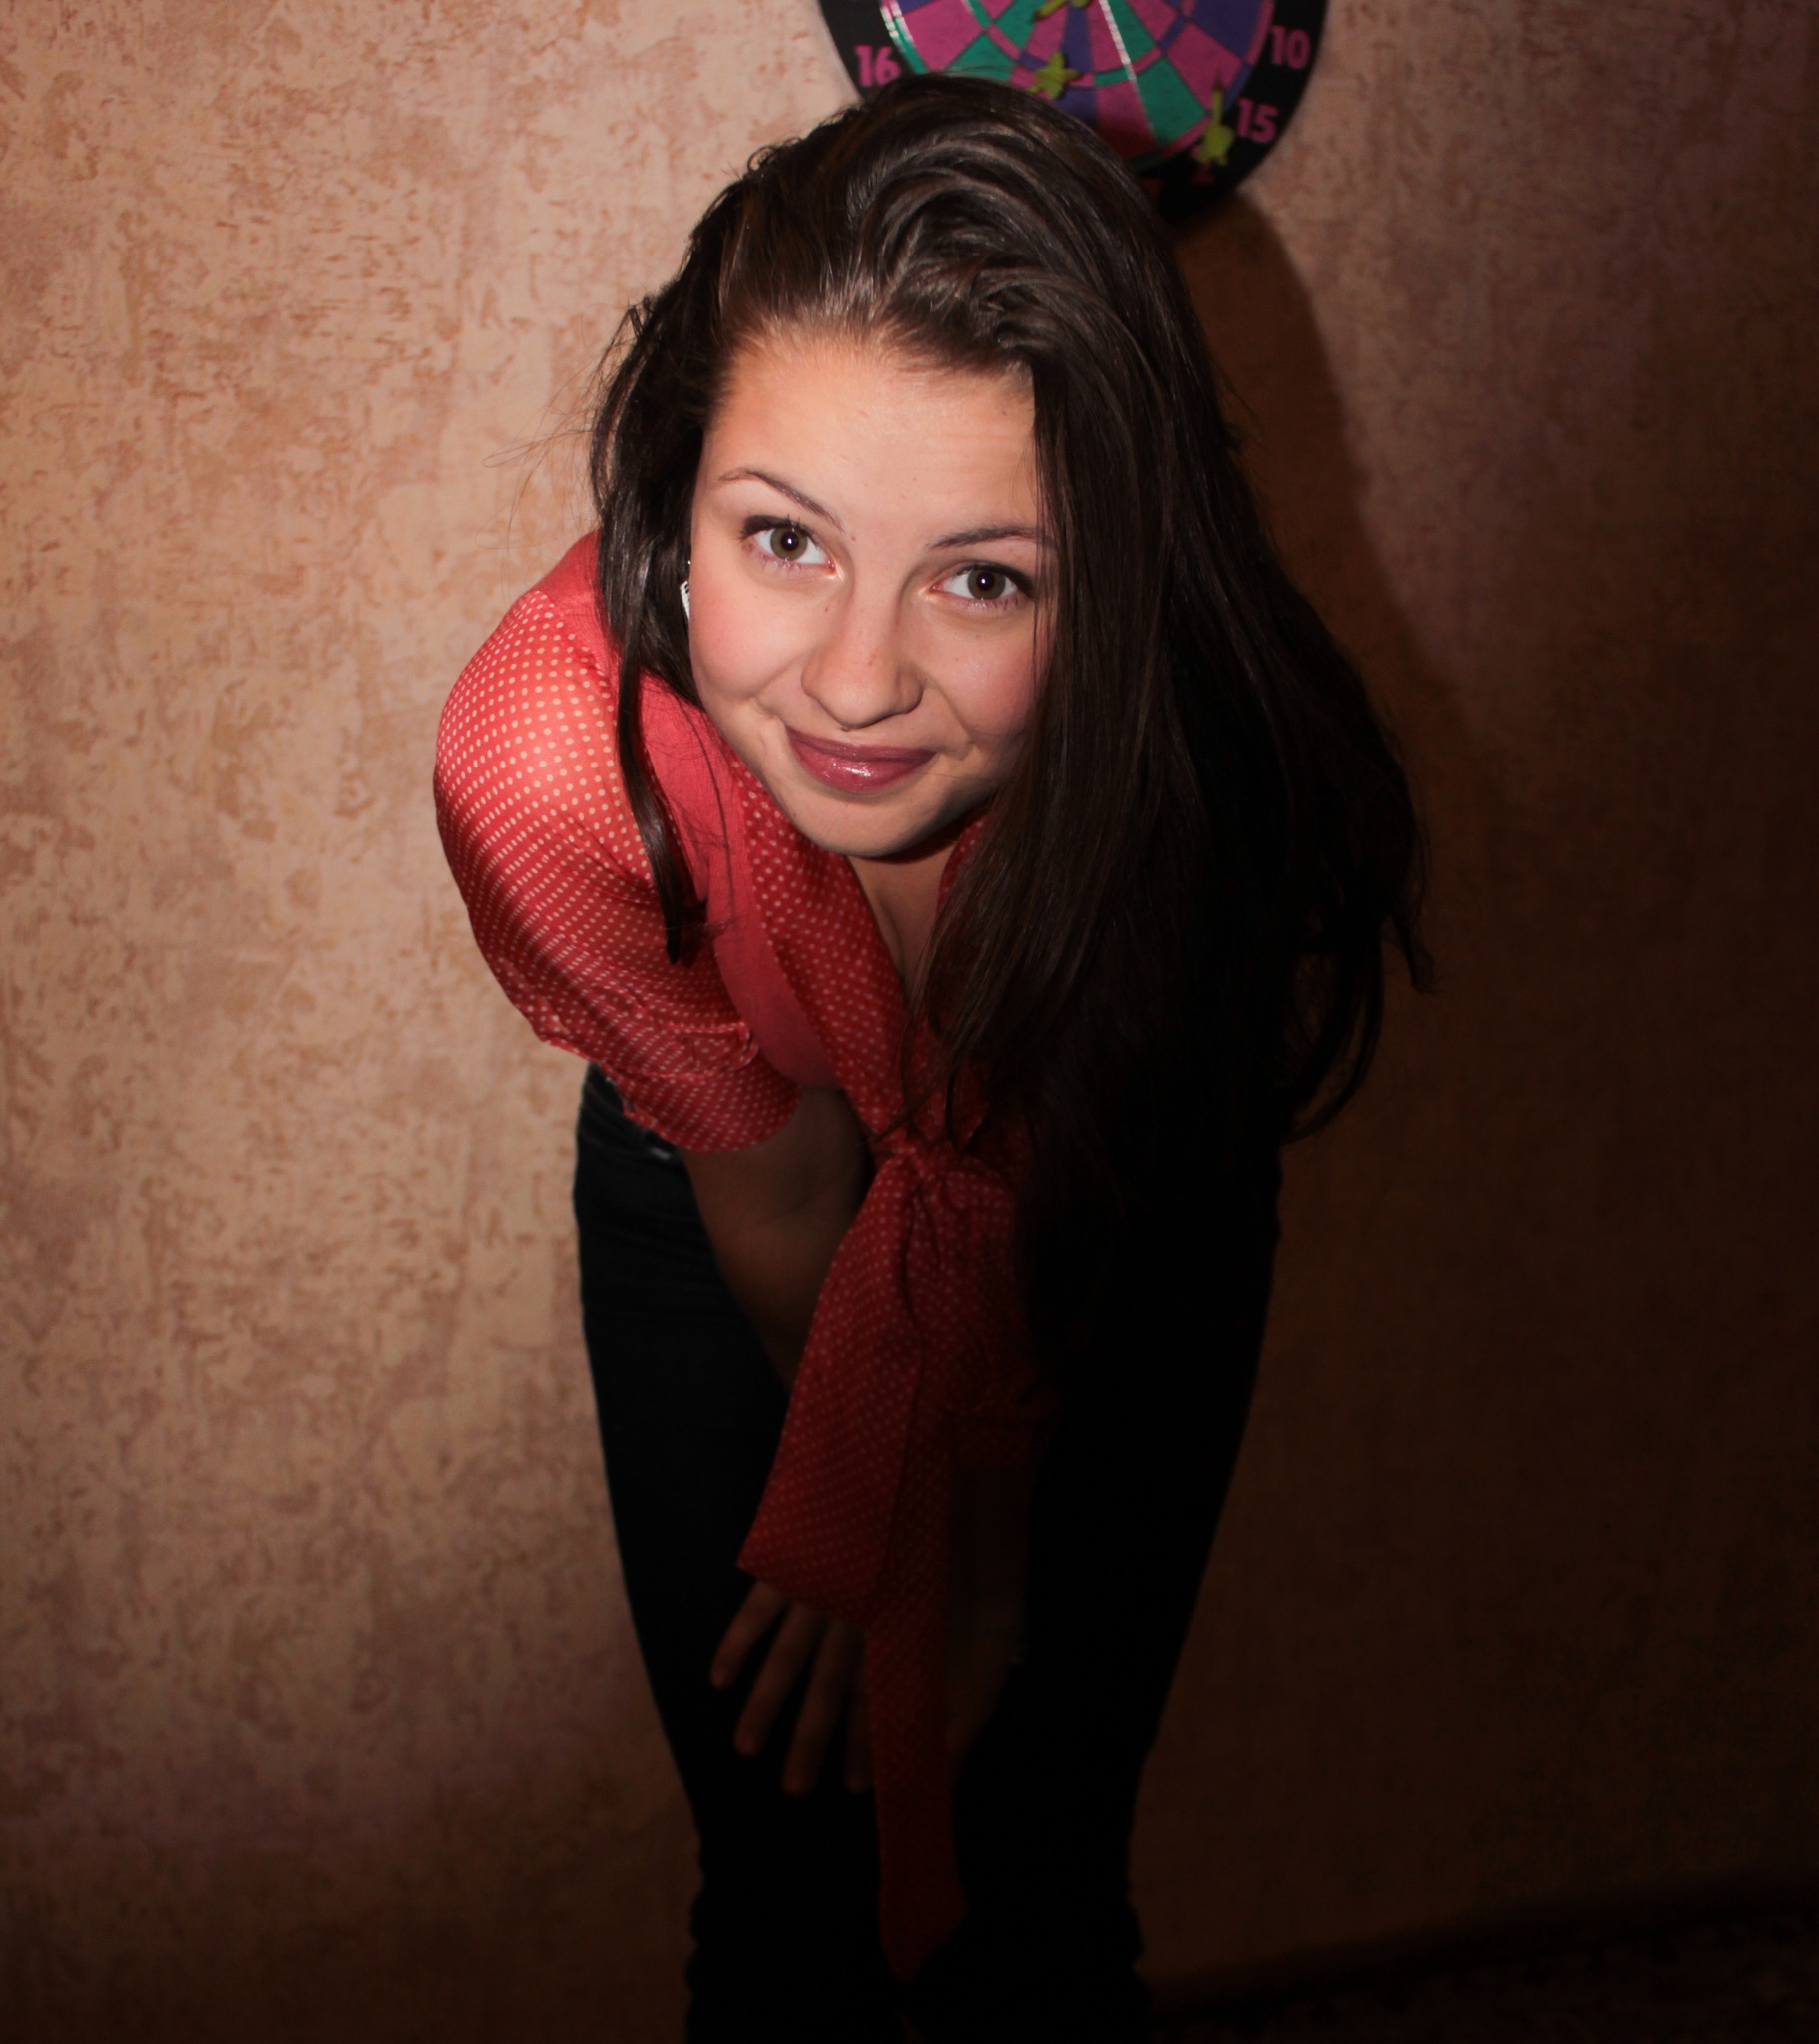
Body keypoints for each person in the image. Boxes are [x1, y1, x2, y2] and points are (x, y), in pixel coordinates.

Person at [434, 73, 1424, 2044]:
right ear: (673, 495)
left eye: (984, 576)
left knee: (1040, 1870)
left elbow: (1115, 1190)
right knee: (787, 1883)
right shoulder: (554, 767)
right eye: (784, 539)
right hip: (742, 1192)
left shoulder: (1197, 774)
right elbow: (787, 1178)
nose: (859, 680)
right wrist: (895, 1507)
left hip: (1112, 1182)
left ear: (1113, 573)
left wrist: (979, 1567)